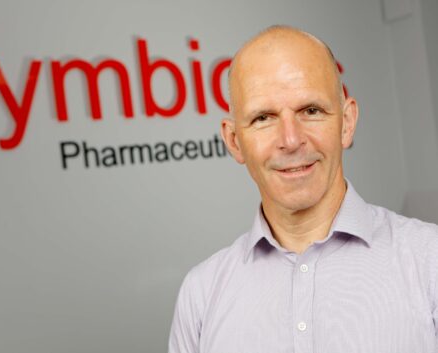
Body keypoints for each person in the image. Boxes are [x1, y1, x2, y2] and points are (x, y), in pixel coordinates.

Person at [168, 25, 438, 353]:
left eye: (311, 111)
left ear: (347, 122)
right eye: (263, 118)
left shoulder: (429, 262)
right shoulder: (201, 294)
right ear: (234, 142)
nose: (291, 140)